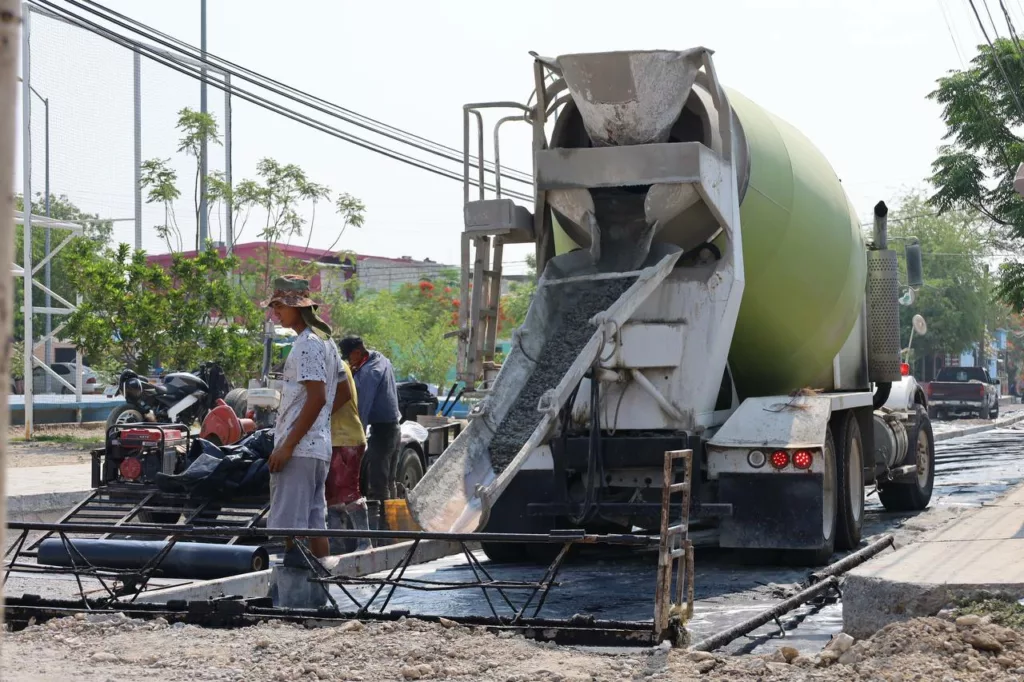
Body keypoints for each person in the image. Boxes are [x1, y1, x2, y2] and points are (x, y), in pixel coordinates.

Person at [263, 275, 338, 561]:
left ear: (298, 307)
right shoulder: (326, 342)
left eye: (280, 306)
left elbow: (317, 398)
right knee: (315, 524)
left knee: (293, 529)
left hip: (302, 449)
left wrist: (287, 446)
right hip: (317, 447)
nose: (276, 313)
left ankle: (296, 594)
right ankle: (321, 589)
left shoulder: (308, 343)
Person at [338, 336, 401, 532]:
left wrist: (357, 441)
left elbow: (362, 411)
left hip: (383, 430)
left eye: (349, 357)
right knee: (389, 479)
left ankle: (381, 529)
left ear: (357, 352)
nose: (349, 363)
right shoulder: (380, 358)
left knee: (378, 482)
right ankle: (391, 525)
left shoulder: (368, 374)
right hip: (393, 426)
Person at [326, 356, 372, 553]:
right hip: (334, 437)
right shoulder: (333, 362)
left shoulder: (334, 363)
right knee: (331, 495)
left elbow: (342, 395)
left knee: (348, 492)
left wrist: (320, 413)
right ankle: (337, 544)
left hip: (346, 438)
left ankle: (365, 542)